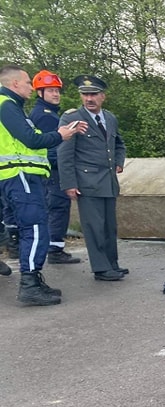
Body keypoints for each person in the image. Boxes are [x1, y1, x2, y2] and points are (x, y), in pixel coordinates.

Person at [0, 64, 87, 305]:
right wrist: (61, 135)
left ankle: (33, 280)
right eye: (28, 82)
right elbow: (31, 139)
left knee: (33, 227)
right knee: (36, 228)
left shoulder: (12, 107)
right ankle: (29, 285)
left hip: (19, 176)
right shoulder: (6, 105)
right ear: (14, 83)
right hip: (20, 175)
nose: (31, 86)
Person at [58, 74, 127, 281]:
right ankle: (101, 268)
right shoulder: (71, 118)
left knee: (108, 226)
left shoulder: (110, 118)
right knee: (94, 227)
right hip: (86, 182)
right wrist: (69, 183)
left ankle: (112, 263)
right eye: (85, 94)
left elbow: (119, 144)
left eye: (93, 94)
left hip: (108, 181)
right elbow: (64, 152)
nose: (89, 99)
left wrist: (119, 161)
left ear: (102, 96)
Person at [29, 70, 79, 264]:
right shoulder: (46, 116)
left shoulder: (45, 113)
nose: (56, 94)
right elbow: (52, 145)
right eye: (50, 90)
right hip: (54, 168)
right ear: (40, 93)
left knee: (57, 206)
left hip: (50, 167)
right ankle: (55, 250)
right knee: (58, 206)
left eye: (57, 90)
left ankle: (54, 246)